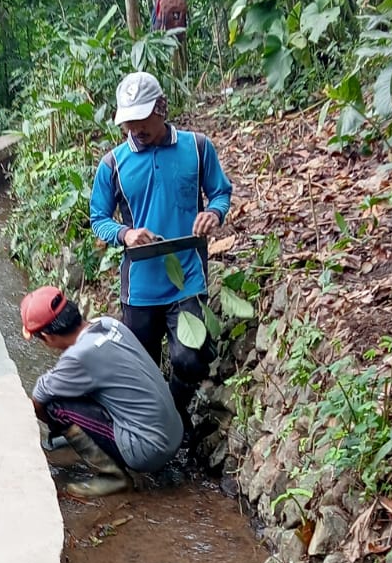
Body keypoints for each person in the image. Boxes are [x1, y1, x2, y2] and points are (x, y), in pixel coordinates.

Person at [89, 70, 233, 440]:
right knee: (142, 369)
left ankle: (175, 410)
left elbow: (220, 192)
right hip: (139, 288)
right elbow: (98, 219)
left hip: (187, 278)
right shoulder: (113, 165)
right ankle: (154, 432)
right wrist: (125, 233)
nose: (135, 130)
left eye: (142, 120)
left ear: (161, 108)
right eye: (128, 123)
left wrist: (213, 213)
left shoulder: (197, 148)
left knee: (190, 358)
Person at [20, 285, 184, 501]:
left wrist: (57, 426)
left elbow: (39, 399)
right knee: (76, 389)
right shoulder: (108, 324)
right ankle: (84, 436)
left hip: (148, 450)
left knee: (55, 406)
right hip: (173, 432)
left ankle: (113, 477)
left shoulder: (78, 357)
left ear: (46, 336)